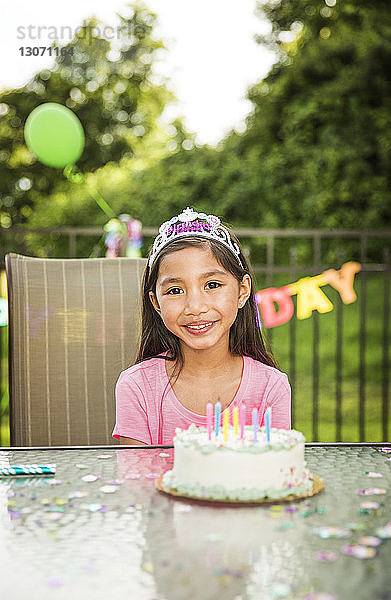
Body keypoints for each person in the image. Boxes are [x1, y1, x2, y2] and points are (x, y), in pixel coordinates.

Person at [112, 207, 291, 445]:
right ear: (155, 302)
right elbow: (136, 480)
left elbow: (275, 474)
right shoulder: (137, 386)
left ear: (243, 291)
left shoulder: (271, 387)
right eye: (175, 290)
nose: (195, 307)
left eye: (213, 285)